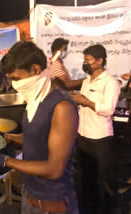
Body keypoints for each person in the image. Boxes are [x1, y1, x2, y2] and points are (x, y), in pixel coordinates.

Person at [0, 41, 79, 214]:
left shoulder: (62, 108)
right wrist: (4, 137)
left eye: (16, 78)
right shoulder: (34, 101)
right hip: (30, 199)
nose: (15, 84)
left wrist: (3, 160)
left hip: (52, 206)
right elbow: (35, 139)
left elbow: (54, 169)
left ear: (35, 70)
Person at [70, 44, 120, 214]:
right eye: (84, 60)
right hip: (82, 134)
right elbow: (82, 104)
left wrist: (86, 101)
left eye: (89, 61)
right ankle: (90, 208)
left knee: (105, 179)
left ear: (100, 61)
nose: (86, 64)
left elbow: (108, 109)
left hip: (100, 137)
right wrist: (77, 102)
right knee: (86, 177)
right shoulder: (86, 81)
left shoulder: (110, 82)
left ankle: (110, 209)